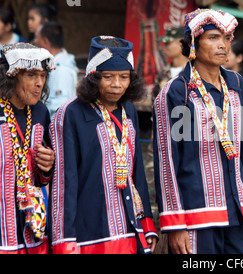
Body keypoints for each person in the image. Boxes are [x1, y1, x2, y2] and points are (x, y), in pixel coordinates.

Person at [153, 8, 243, 254]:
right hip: (196, 217)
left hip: (238, 212)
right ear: (193, 42)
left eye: (227, 38)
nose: (223, 45)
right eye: (213, 38)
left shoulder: (237, 85)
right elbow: (167, 161)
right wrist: (175, 225)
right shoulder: (175, 92)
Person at [50, 36, 158, 254]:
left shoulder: (129, 111)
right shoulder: (70, 114)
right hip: (88, 236)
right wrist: (65, 241)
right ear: (93, 76)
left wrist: (146, 224)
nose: (116, 84)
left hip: (130, 230)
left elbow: (136, 173)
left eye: (124, 77)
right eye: (108, 76)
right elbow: (64, 182)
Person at [0, 42, 56, 254]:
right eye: (31, 75)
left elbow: (42, 178)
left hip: (33, 229)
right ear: (11, 76)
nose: (39, 83)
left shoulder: (41, 113)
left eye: (43, 76)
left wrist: (47, 165)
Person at [34, 21, 78, 118]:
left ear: (45, 42)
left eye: (37, 38)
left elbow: (58, 111)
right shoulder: (53, 65)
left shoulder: (61, 71)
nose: (34, 42)